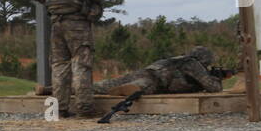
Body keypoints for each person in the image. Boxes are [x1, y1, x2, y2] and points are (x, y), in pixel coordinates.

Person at [28, 0, 103, 118]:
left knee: (59, 65)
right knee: (81, 63)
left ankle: (58, 109)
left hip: (57, 24)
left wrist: (53, 4)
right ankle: (84, 108)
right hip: (77, 24)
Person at [94, 46, 225, 96]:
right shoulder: (194, 64)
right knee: (142, 86)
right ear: (205, 59)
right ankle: (131, 89)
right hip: (156, 80)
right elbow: (213, 88)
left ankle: (84, 88)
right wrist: (218, 79)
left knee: (107, 84)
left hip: (146, 71)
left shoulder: (180, 59)